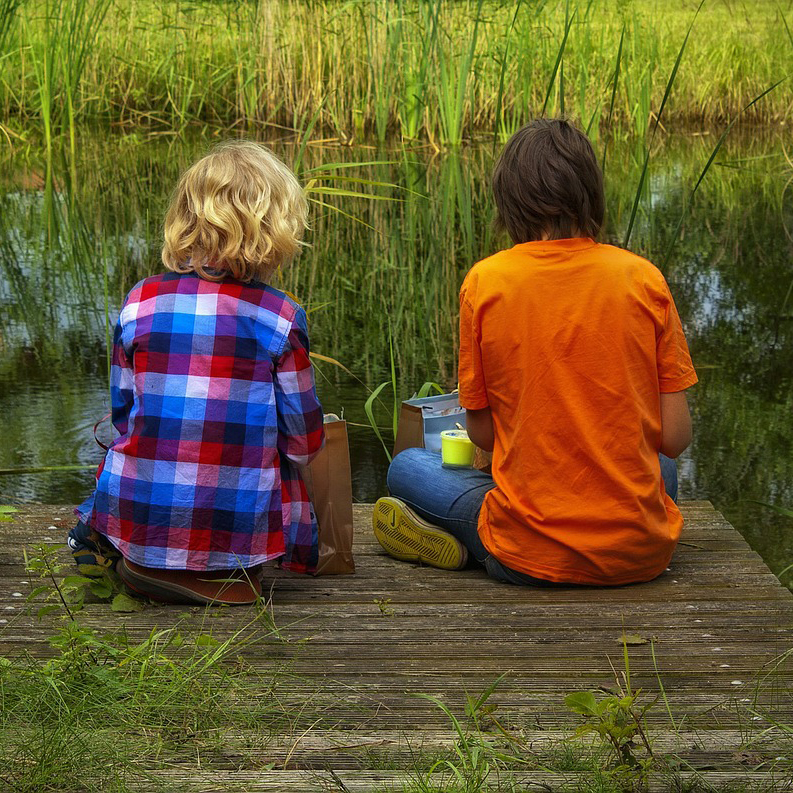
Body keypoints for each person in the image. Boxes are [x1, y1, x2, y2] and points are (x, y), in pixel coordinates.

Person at [374, 118, 697, 587]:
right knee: (658, 466)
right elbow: (675, 438)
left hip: (527, 556)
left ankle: (473, 545)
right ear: (591, 192)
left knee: (407, 467)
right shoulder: (643, 278)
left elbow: (483, 434)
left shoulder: (486, 283)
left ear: (510, 201)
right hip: (639, 554)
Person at [69, 141, 324, 604]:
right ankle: (218, 572)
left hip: (142, 507)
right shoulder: (280, 317)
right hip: (237, 524)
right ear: (275, 230)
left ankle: (131, 552)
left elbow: (124, 415)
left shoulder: (139, 300)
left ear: (184, 220)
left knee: (124, 438)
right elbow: (304, 442)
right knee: (279, 456)